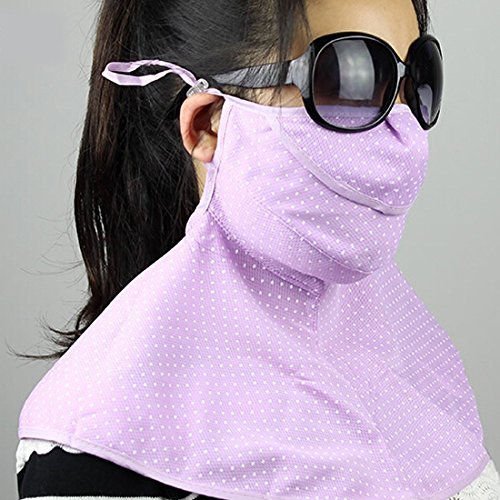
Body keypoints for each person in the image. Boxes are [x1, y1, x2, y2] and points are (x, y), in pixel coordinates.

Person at [15, 0, 500, 499]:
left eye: (415, 79)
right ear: (207, 123)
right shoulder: (99, 450)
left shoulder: (410, 369)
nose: (403, 134)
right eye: (348, 77)